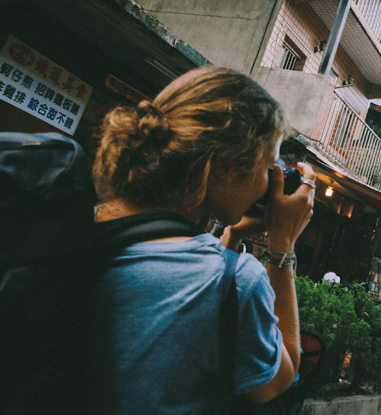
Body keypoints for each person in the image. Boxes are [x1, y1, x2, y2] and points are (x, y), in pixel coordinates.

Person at [88, 67, 315, 413]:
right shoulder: (237, 281)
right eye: (269, 168)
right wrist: (282, 243)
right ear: (224, 169)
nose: (268, 185)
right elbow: (280, 379)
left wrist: (231, 239)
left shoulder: (78, 225)